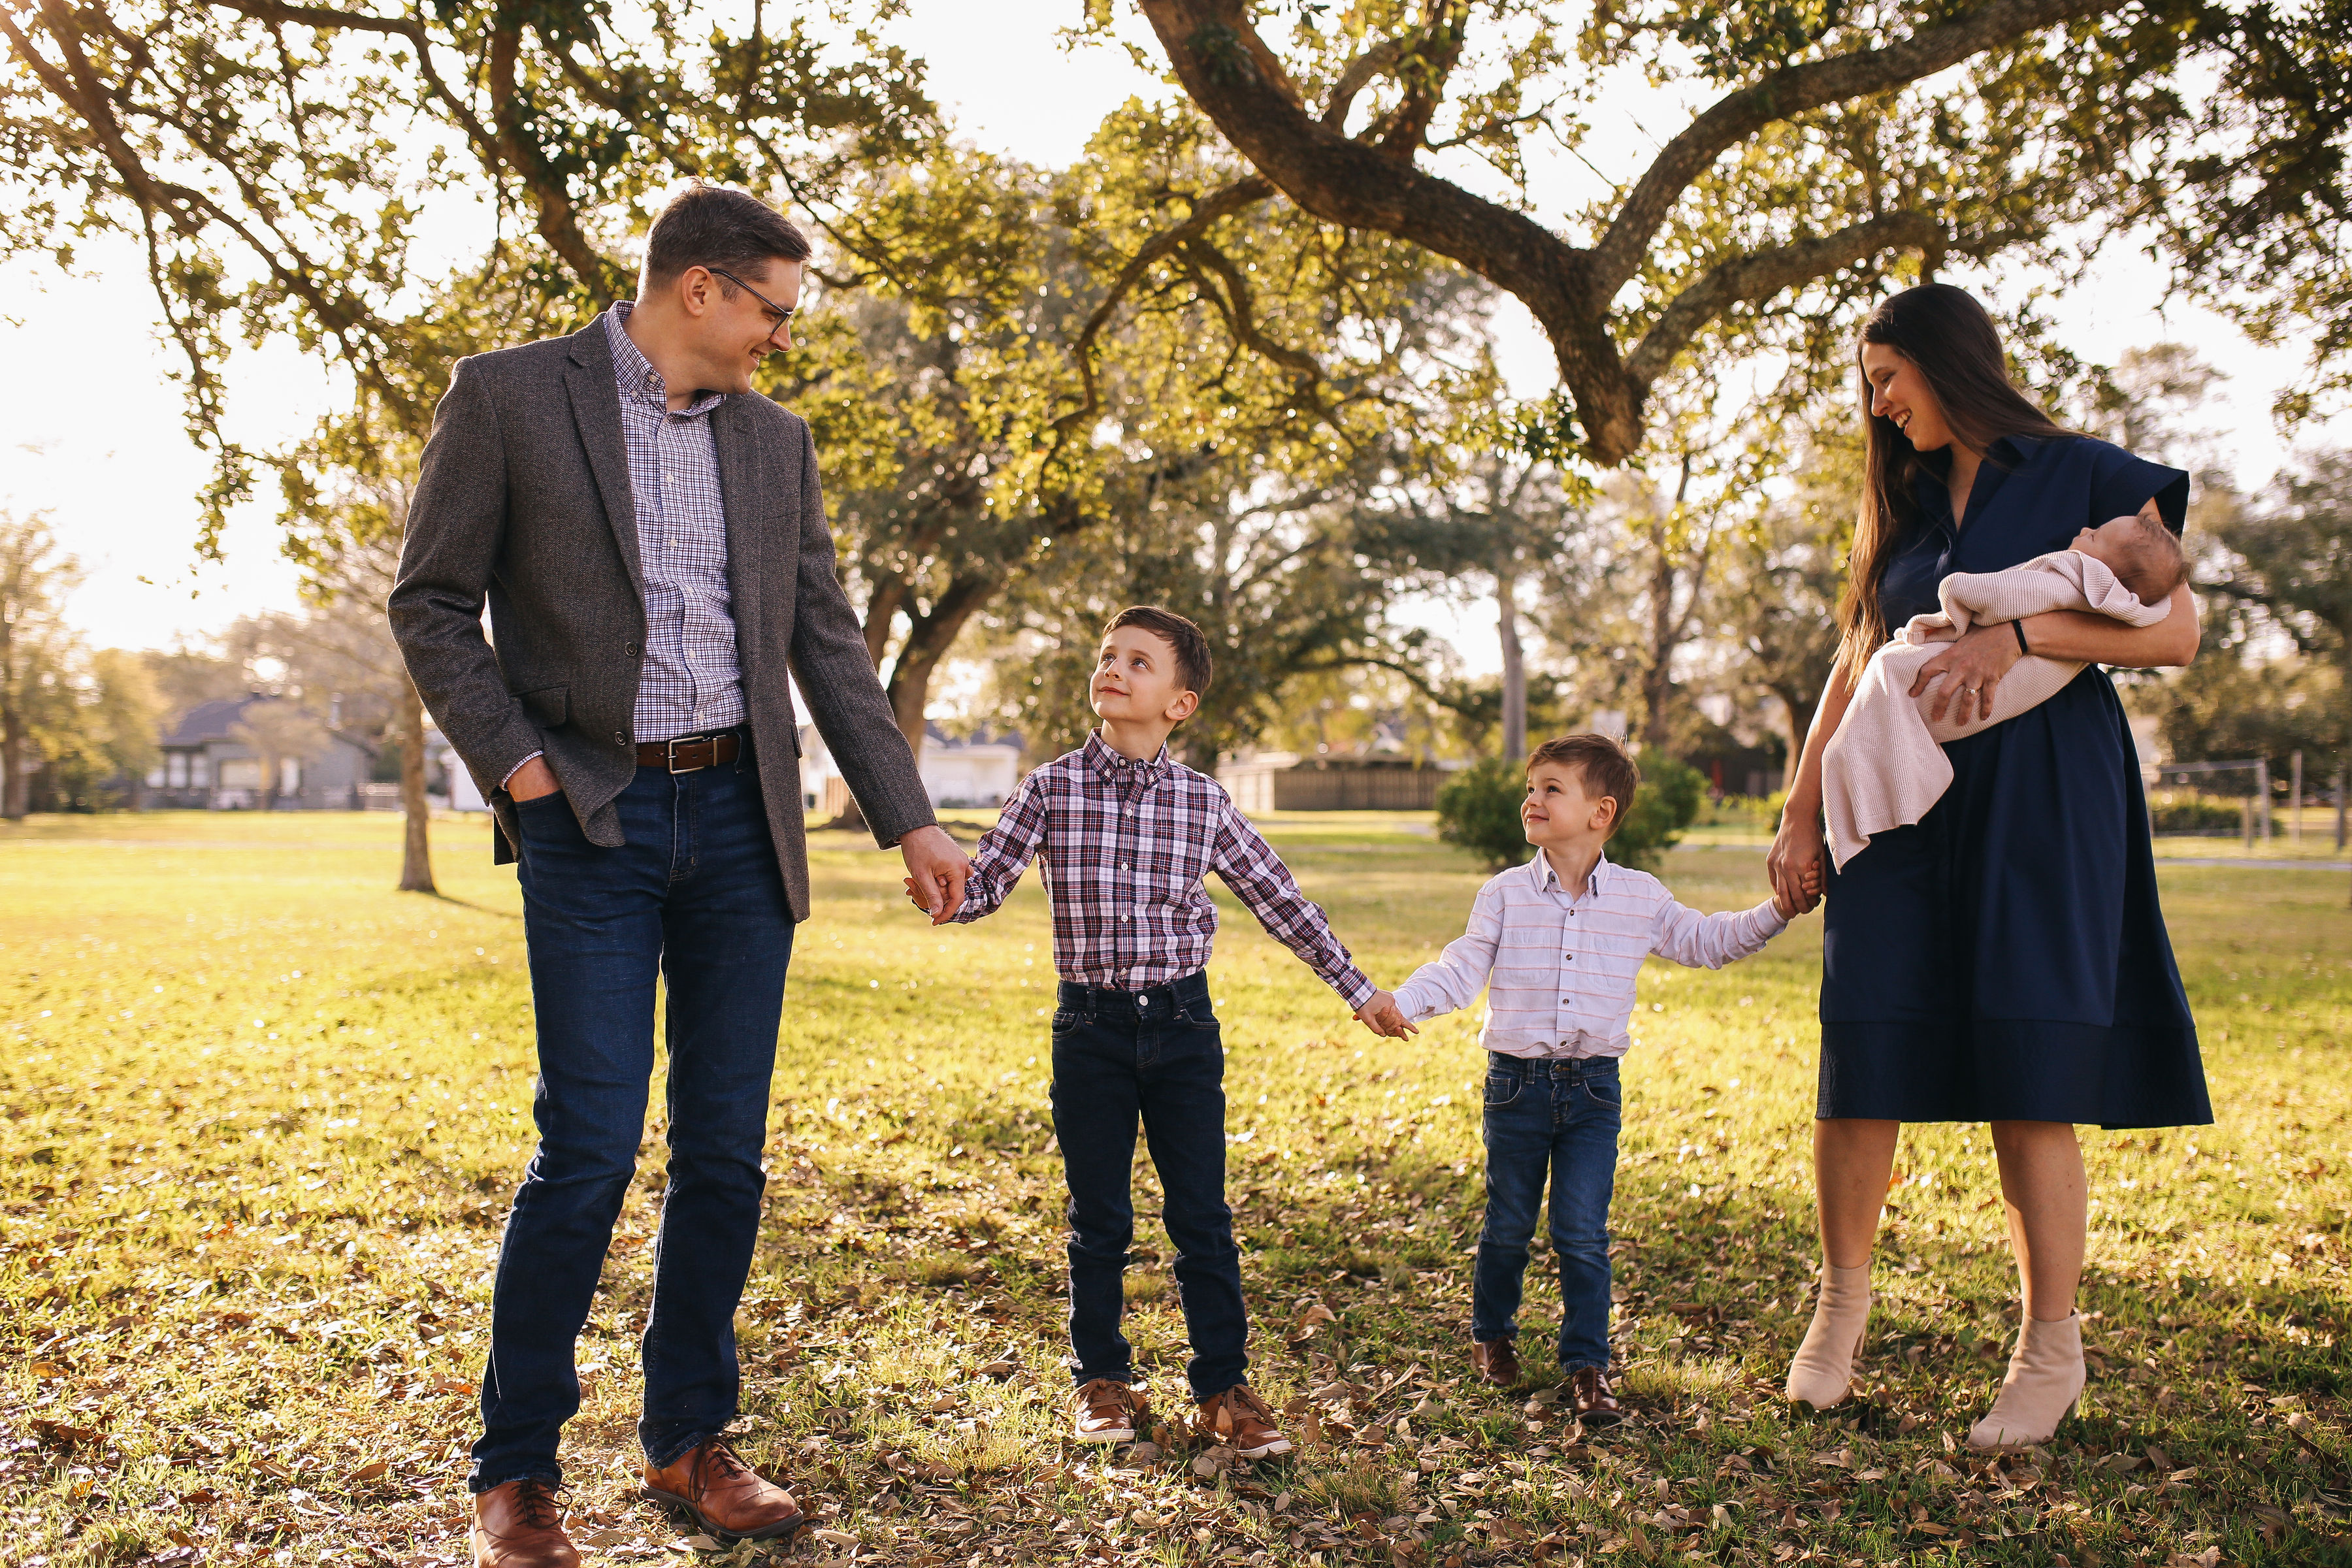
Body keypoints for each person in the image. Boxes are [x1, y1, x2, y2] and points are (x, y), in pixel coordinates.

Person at [390, 182, 973, 1568]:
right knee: (587, 1148)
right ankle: (516, 1473)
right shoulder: (511, 396)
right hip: (589, 818)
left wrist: (911, 819)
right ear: (700, 289)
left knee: (723, 1152)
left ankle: (687, 1439)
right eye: (773, 309)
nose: (783, 336)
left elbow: (828, 643)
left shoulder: (777, 445)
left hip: (740, 829)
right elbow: (428, 601)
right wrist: (521, 768)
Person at [1766, 283, 2210, 1451]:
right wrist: (1801, 812)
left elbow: (2173, 630)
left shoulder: (2086, 474)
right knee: (1863, 1047)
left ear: (1944, 362)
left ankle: (2050, 1347)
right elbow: (1857, 659)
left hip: (2045, 796)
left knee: (2029, 1058)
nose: (1879, 404)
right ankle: (1838, 1312)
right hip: (1897, 797)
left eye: (1887, 378)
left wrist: (2016, 634)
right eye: (1869, 386)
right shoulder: (1904, 510)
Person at [913, 606, 1404, 1458]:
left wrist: (1357, 989)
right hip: (1090, 1031)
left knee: (1201, 1217)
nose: (1114, 669)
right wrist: (946, 888)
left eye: (1139, 662)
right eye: (1108, 656)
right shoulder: (1050, 786)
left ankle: (1222, 1388)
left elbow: (1280, 900)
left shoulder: (1201, 801)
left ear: (1179, 703)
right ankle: (1102, 1381)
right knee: (1098, 1217)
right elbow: (987, 880)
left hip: (1183, 1029)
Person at [1372, 734, 1804, 1422]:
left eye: (1552, 788)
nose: (1532, 799)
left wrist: (1777, 910)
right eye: (1531, 785)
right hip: (1516, 1086)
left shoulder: (1639, 898)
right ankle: (1493, 1336)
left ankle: (1588, 1366)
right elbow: (1461, 967)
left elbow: (1707, 941)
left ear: (1601, 811)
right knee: (1508, 1224)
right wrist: (1406, 1001)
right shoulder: (1506, 894)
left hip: (1595, 1091)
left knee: (1581, 1232)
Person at [1820, 512, 2185, 864]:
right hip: (2006, 701)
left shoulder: (2072, 577)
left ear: (2105, 573)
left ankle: (1859, 809)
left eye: (2095, 537)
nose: (2086, 528)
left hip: (1962, 688)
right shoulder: (2117, 610)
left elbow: (2004, 597)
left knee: (1887, 673)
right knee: (1866, 725)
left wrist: (1957, 592)